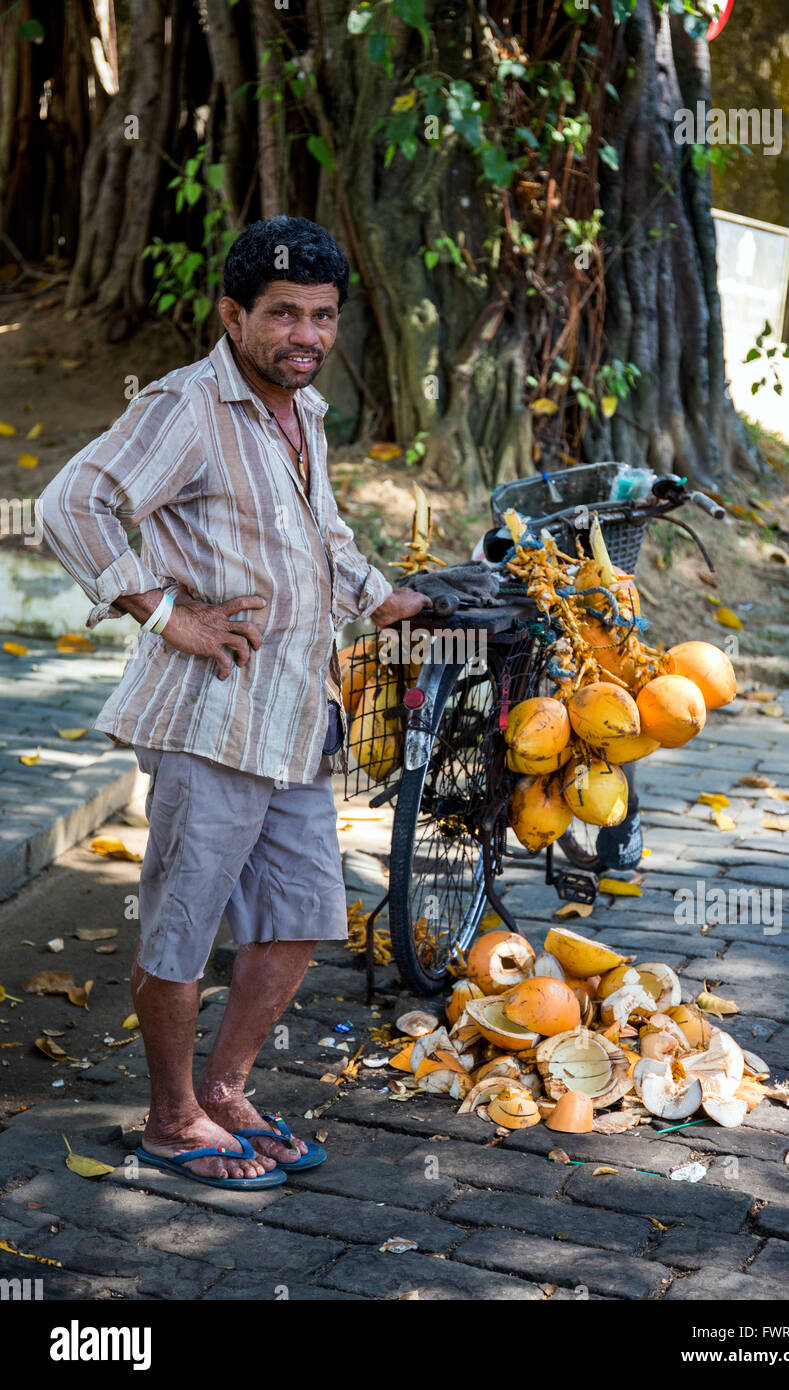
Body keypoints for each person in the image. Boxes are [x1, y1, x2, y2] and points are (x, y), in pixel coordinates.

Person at [39, 217, 431, 1190]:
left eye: (324, 316)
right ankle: (171, 1120)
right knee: (183, 921)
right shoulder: (188, 406)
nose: (306, 334)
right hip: (209, 716)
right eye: (284, 315)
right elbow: (68, 503)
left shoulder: (303, 413)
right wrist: (166, 610)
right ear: (233, 314)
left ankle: (224, 1092)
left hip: (295, 716)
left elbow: (323, 537)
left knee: (301, 913)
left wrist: (385, 599)